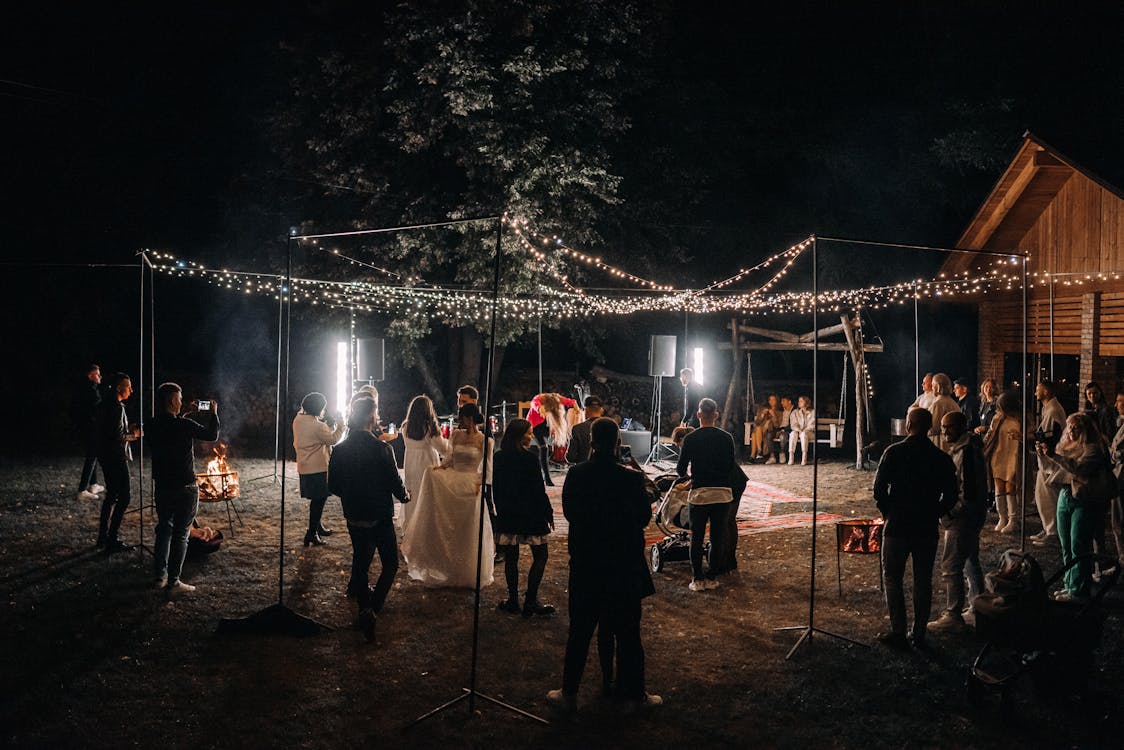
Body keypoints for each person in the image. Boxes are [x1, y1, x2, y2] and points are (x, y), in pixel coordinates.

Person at [548, 418, 659, 713]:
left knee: (580, 631)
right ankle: (633, 696)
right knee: (628, 633)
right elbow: (644, 518)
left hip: (587, 562)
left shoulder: (576, 475)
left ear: (592, 442)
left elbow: (571, 513)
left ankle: (569, 694)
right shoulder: (631, 478)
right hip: (622, 563)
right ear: (618, 443)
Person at [873, 407, 958, 650]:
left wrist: (888, 511)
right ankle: (918, 632)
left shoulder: (894, 452)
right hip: (925, 527)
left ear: (908, 425)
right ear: (930, 428)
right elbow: (951, 494)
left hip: (898, 525)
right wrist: (936, 512)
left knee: (892, 578)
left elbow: (879, 490)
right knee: (922, 580)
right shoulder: (941, 458)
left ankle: (899, 631)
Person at [328, 397, 410, 642]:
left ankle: (365, 608)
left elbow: (333, 486)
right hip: (380, 514)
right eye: (375, 414)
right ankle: (374, 607)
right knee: (390, 563)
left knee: (361, 563)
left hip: (354, 514)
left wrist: (353, 495)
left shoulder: (339, 450)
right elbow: (395, 485)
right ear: (371, 418)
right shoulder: (382, 449)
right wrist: (405, 496)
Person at [402, 403, 495, 588]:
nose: (462, 422)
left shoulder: (486, 441)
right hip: (454, 479)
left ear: (472, 418)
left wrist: (480, 484)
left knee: (468, 528)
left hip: (470, 483)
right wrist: (438, 469)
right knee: (449, 524)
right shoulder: (455, 434)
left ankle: (468, 570)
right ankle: (449, 566)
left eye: (464, 418)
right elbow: (450, 458)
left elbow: (487, 468)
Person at [146, 383, 219, 596]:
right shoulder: (185, 425)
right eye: (179, 398)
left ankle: (160, 576)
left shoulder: (151, 425)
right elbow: (211, 435)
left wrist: (184, 413)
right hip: (185, 487)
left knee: (164, 530)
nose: (181, 401)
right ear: (171, 401)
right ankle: (174, 581)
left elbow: (170, 424)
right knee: (180, 535)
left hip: (163, 486)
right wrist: (213, 413)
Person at [1036, 413, 1113, 603]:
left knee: (1078, 543)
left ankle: (1080, 590)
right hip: (1065, 495)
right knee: (1066, 545)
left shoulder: (1093, 449)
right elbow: (1051, 471)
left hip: (1085, 499)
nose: (1071, 431)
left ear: (1086, 430)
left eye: (1076, 427)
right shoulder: (1065, 447)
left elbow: (1078, 469)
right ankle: (1070, 583)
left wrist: (1055, 456)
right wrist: (1043, 455)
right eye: (1069, 427)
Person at [928, 411, 987, 632]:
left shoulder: (967, 452)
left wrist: (950, 512)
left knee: (951, 565)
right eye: (943, 427)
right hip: (970, 514)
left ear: (961, 427)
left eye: (949, 427)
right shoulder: (965, 448)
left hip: (963, 517)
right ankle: (978, 605)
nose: (944, 432)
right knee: (971, 560)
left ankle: (953, 614)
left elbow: (968, 490)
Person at [493, 418, 555, 617]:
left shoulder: (499, 457)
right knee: (541, 555)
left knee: (512, 558)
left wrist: (500, 511)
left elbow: (497, 488)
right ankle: (530, 600)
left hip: (509, 513)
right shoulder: (531, 458)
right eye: (529, 433)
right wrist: (548, 512)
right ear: (519, 436)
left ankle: (513, 600)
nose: (531, 436)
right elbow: (538, 489)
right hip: (531, 513)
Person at [676, 398, 736, 591]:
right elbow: (730, 467)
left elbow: (680, 469)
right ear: (716, 415)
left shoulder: (691, 439)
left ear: (699, 415)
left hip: (700, 493)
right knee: (718, 537)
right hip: (722, 494)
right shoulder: (727, 438)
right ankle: (712, 576)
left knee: (697, 536)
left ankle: (697, 578)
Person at [95, 372, 141, 552]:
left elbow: (109, 431)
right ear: (118, 388)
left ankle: (103, 537)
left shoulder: (104, 405)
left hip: (106, 456)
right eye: (128, 386)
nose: (131, 389)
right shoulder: (115, 407)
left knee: (111, 495)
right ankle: (111, 539)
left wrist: (127, 430)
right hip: (115, 457)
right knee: (124, 497)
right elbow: (117, 437)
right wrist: (134, 435)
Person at [293, 392, 345, 547]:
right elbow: (333, 439)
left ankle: (317, 527)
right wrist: (341, 424)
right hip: (317, 468)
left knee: (317, 499)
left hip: (304, 465)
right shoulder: (318, 426)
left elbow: (317, 436)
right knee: (319, 500)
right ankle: (311, 533)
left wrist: (329, 426)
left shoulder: (298, 419)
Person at [399, 395, 449, 535]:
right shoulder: (428, 428)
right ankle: (425, 529)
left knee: (412, 494)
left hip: (411, 464)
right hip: (426, 464)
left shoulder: (405, 426)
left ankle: (411, 528)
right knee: (426, 496)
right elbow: (443, 449)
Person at [1031, 380, 1067, 544]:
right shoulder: (1049, 409)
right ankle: (1048, 527)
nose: (1035, 393)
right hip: (1045, 462)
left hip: (1050, 464)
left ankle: (1053, 530)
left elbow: (1049, 436)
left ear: (1046, 392)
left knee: (1049, 498)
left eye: (1038, 390)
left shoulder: (1053, 410)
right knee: (1041, 496)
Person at [983, 392, 1023, 533]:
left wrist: (1021, 436)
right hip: (999, 454)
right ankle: (1002, 517)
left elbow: (1031, 434)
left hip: (1013, 454)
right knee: (999, 486)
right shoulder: (998, 418)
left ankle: (1013, 520)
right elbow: (990, 434)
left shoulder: (1021, 419)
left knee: (1010, 487)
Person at [72, 363, 105, 501]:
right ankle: (82, 490)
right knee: (92, 456)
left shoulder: (84, 388)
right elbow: (96, 410)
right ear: (90, 376)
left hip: (85, 427)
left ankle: (93, 484)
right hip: (90, 428)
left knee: (93, 455)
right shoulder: (90, 390)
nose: (100, 376)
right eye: (97, 374)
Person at [529, 392, 577, 486]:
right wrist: (540, 409)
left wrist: (576, 407)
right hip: (534, 426)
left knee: (550, 449)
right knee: (544, 448)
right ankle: (547, 478)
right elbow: (535, 405)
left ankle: (543, 470)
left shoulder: (556, 398)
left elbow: (570, 402)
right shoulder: (537, 399)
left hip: (546, 424)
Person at [1106, 393, 1124, 570]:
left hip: (1121, 476)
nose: (1117, 404)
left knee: (1119, 520)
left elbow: (1118, 452)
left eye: (1120, 401)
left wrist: (1111, 450)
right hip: (1118, 475)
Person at [927, 374, 961, 451]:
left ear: (938, 386)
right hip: (953, 444)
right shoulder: (952, 402)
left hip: (942, 445)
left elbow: (933, 428)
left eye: (932, 385)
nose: (932, 388)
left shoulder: (938, 403)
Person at [566, 395, 603, 464]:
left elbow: (570, 457)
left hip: (583, 471)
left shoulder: (577, 429)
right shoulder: (612, 426)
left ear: (586, 410)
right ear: (601, 410)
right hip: (607, 473)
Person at [750, 394, 780, 462]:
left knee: (754, 433)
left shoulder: (779, 412)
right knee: (756, 430)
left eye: (773, 400)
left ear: (777, 401)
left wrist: (773, 415)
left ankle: (753, 456)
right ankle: (758, 452)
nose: (771, 401)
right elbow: (757, 422)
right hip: (761, 432)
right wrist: (762, 415)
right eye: (770, 400)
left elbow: (777, 425)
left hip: (770, 431)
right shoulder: (763, 410)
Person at [787, 396, 815, 466]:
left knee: (804, 434)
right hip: (798, 432)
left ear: (806, 402)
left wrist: (803, 431)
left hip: (809, 433)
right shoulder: (795, 412)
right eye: (799, 401)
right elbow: (793, 424)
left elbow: (812, 425)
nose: (799, 403)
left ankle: (804, 456)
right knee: (793, 433)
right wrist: (799, 430)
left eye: (801, 401)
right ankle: (791, 456)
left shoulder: (812, 412)